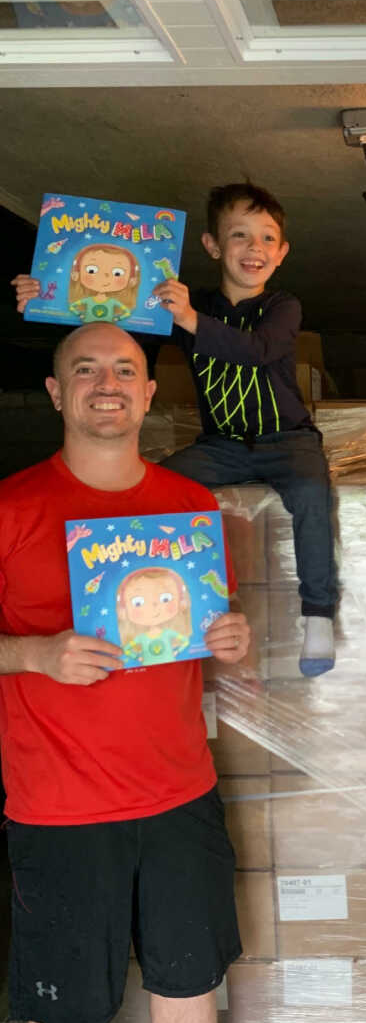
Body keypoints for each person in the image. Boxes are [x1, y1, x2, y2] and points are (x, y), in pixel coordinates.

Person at [0, 321, 250, 1023]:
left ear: (147, 394)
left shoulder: (188, 507)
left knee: (191, 971)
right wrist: (33, 656)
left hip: (180, 791)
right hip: (59, 804)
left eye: (124, 369)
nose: (105, 383)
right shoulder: (11, 507)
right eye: (85, 369)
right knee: (64, 997)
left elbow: (200, 626)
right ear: (55, 392)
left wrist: (230, 636)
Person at [15, 180, 337, 677]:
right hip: (222, 445)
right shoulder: (188, 304)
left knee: (314, 494)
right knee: (157, 490)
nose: (255, 249)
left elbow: (256, 352)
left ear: (282, 252)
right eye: (239, 235)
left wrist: (189, 319)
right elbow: (112, 320)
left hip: (287, 439)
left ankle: (318, 615)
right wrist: (47, 295)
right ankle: (126, 603)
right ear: (212, 246)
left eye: (267, 239)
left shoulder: (282, 306)